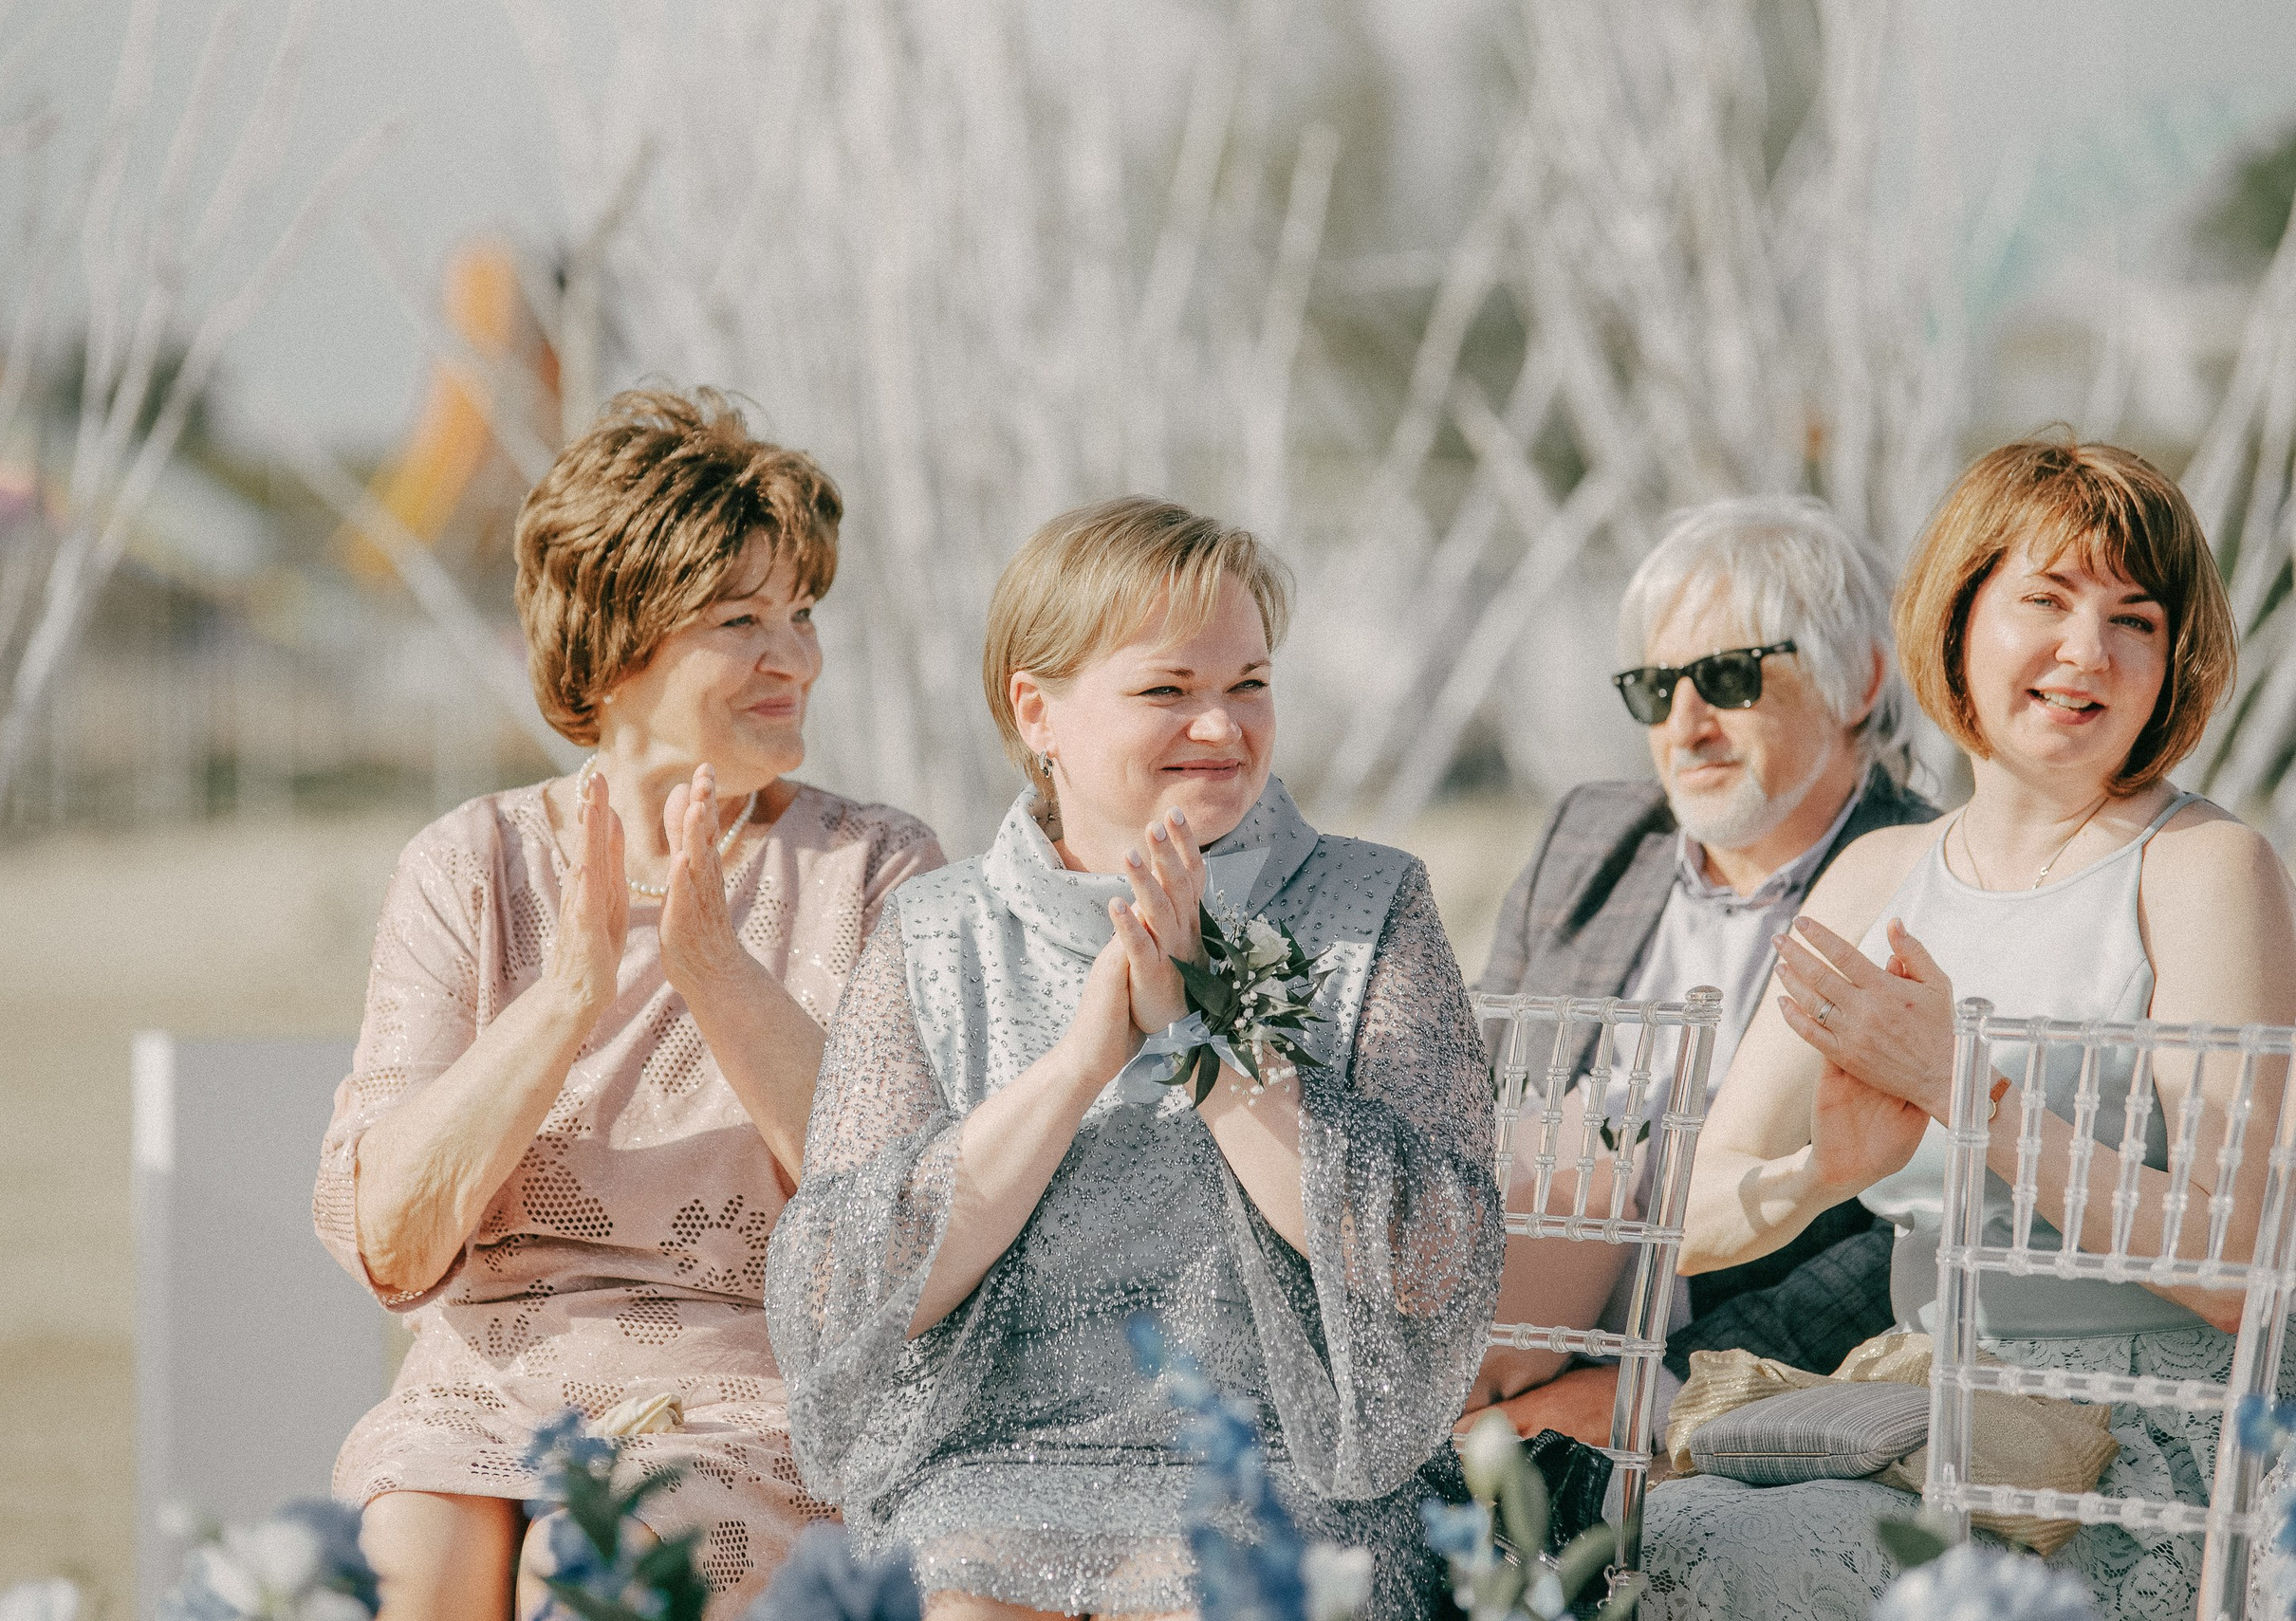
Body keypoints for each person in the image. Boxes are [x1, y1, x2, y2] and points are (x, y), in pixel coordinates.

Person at [765, 497, 1505, 1618]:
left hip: (1284, 1474)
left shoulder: (1369, 903)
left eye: (1249, 683)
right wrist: (1077, 1061)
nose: (1222, 726)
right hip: (986, 1466)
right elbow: (841, 1293)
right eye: (1169, 690)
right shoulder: (934, 930)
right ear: (1038, 710)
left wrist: (1218, 1035)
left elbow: (1432, 1258)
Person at [311, 389, 944, 1621]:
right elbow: (391, 1240)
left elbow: (898, 1224)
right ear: (613, 645)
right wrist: (564, 1000)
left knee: (592, 1567)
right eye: (740, 619)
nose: (796, 657)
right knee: (413, 1568)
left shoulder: (873, 867)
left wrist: (716, 967)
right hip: (476, 1399)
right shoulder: (470, 865)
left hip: (744, 1402)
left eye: (803, 613)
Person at [1644, 435, 2296, 1619]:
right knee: (1664, 1526)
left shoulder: (2205, 867)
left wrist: (1969, 1089)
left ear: (2171, 656)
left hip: (2141, 1442)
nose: (2085, 652)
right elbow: (1684, 1216)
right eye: (2044, 600)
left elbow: (2237, 1266)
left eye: (2134, 618)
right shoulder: (1874, 874)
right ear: (1956, 618)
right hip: (1918, 1406)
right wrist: (1821, 1170)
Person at [1471, 497, 1938, 1437]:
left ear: (1859, 682)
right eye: (1654, 687)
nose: (1685, 724)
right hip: (1495, 1357)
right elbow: (1468, 1105)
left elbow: (1908, 1235)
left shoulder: (1935, 881)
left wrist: (1656, 1389)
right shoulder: (1589, 840)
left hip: (1737, 1391)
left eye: (1726, 676)